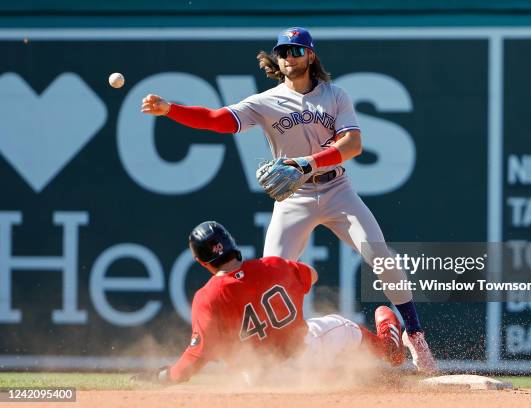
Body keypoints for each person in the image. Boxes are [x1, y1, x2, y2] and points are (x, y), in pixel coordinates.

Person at [141, 27, 435, 372]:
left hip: (337, 190)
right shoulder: (265, 102)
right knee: (267, 279)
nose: (288, 57)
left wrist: (306, 162)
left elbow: (352, 146)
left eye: (296, 50)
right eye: (282, 51)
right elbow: (219, 121)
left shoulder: (335, 96)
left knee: (380, 257)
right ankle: (271, 360)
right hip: (294, 197)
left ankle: (414, 334)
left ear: (311, 55)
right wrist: (170, 109)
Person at [134, 221, 405, 384]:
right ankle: (390, 349)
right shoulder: (274, 266)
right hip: (304, 354)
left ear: (200, 261)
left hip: (259, 380)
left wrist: (163, 377)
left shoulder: (206, 297)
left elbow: (196, 357)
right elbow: (312, 275)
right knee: (341, 325)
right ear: (231, 244)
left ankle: (347, 377)